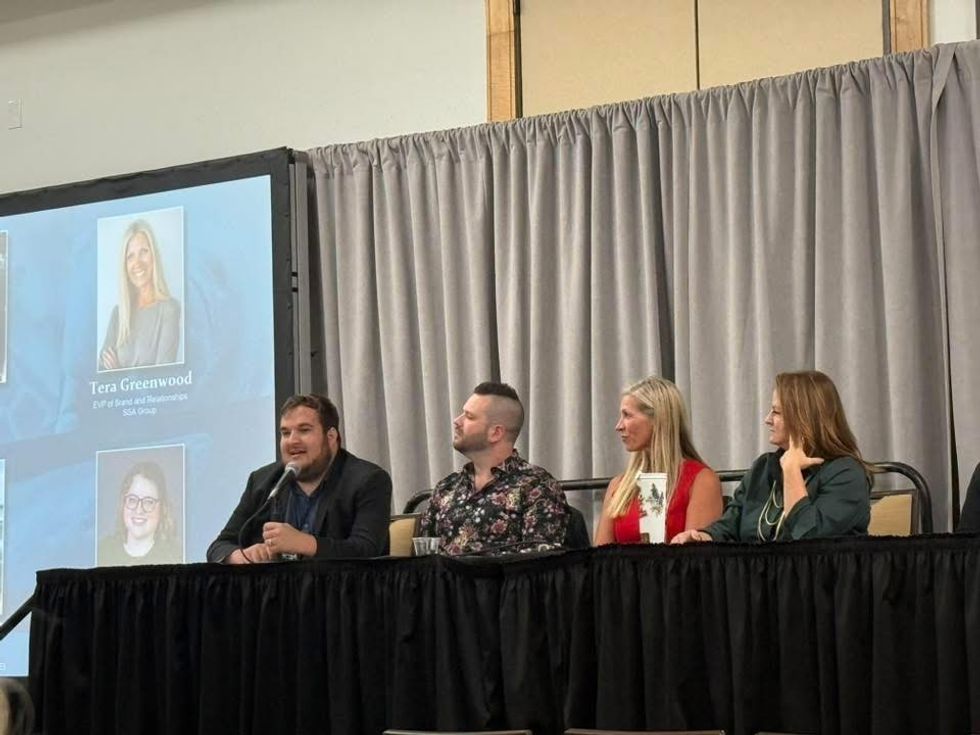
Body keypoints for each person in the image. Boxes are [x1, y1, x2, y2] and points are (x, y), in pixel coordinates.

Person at [673, 370, 872, 544]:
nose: (767, 419)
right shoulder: (764, 467)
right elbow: (729, 526)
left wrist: (792, 471)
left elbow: (807, 540)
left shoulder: (847, 475)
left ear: (804, 418)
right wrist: (703, 536)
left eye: (776, 412)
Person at [207, 394, 392, 562]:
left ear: (331, 437)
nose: (292, 441)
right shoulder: (262, 481)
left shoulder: (368, 480)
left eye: (304, 430)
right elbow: (219, 546)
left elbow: (366, 551)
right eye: (285, 433)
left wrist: (304, 543)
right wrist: (242, 556)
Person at [417, 381, 569, 555]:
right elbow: (423, 558)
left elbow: (538, 563)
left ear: (496, 433)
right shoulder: (445, 488)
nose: (457, 421)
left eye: (469, 417)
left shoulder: (537, 487)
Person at [595, 376, 723, 545]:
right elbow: (599, 555)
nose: (619, 426)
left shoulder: (701, 481)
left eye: (627, 415)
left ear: (657, 419)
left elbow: (696, 556)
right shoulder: (618, 486)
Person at [99, 219, 181, 371]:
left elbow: (163, 376)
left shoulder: (169, 310)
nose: (137, 263)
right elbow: (102, 371)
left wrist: (118, 372)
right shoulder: (118, 314)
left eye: (143, 252)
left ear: (154, 256)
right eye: (130, 256)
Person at [98, 460, 182, 566]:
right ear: (123, 503)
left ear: (162, 508)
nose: (139, 510)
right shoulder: (103, 550)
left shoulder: (176, 556)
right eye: (132, 500)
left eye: (148, 502)